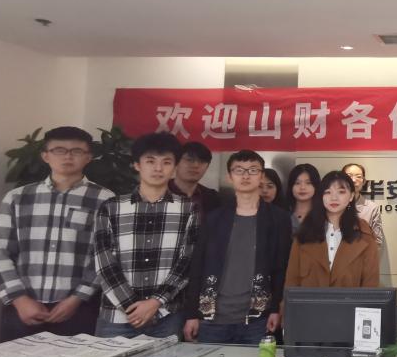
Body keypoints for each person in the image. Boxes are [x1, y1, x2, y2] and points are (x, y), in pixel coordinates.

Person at [0, 127, 114, 357]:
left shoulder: (105, 199)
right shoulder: (18, 197)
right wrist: (20, 299)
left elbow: (105, 255)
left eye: (76, 151)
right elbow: (0, 251)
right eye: (59, 150)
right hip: (22, 307)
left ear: (88, 157)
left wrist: (77, 298)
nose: (67, 156)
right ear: (45, 156)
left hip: (77, 308)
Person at [92, 133, 198, 338]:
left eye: (166, 162)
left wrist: (156, 302)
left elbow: (187, 261)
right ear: (137, 165)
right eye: (150, 161)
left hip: (167, 316)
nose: (158, 168)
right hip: (116, 317)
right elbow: (104, 263)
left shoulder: (188, 208)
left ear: (174, 168)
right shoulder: (112, 207)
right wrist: (132, 307)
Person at [183, 150, 291, 344]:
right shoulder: (214, 218)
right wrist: (192, 313)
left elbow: (281, 267)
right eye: (239, 170)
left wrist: (275, 308)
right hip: (212, 317)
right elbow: (198, 266)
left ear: (261, 176)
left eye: (253, 170)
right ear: (230, 177)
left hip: (258, 318)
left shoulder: (278, 218)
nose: (246, 176)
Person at [284, 170, 380, 296]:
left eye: (341, 192)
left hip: (350, 307)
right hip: (309, 307)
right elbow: (292, 280)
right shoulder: (306, 231)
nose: (334, 198)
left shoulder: (364, 234)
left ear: (351, 196)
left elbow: (370, 284)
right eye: (328, 192)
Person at [170, 141, 222, 223]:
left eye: (201, 161)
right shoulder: (158, 192)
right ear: (176, 163)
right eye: (189, 160)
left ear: (207, 166)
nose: (195, 165)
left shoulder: (214, 198)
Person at [342, 162, 385, 249]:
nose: (353, 180)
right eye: (349, 176)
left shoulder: (371, 208)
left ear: (364, 181)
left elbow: (377, 241)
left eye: (358, 176)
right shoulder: (332, 205)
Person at [287, 163, 321, 233]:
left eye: (308, 183)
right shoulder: (282, 214)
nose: (302, 187)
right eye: (297, 183)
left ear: (316, 186)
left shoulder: (323, 215)